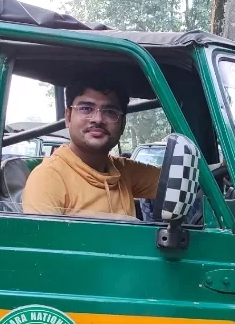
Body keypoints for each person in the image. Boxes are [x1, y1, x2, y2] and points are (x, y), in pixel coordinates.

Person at [20, 78, 160, 219]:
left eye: (110, 111)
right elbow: (45, 239)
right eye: (86, 109)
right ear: (68, 117)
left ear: (123, 124)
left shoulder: (123, 171)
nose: (98, 119)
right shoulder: (48, 178)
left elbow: (176, 180)